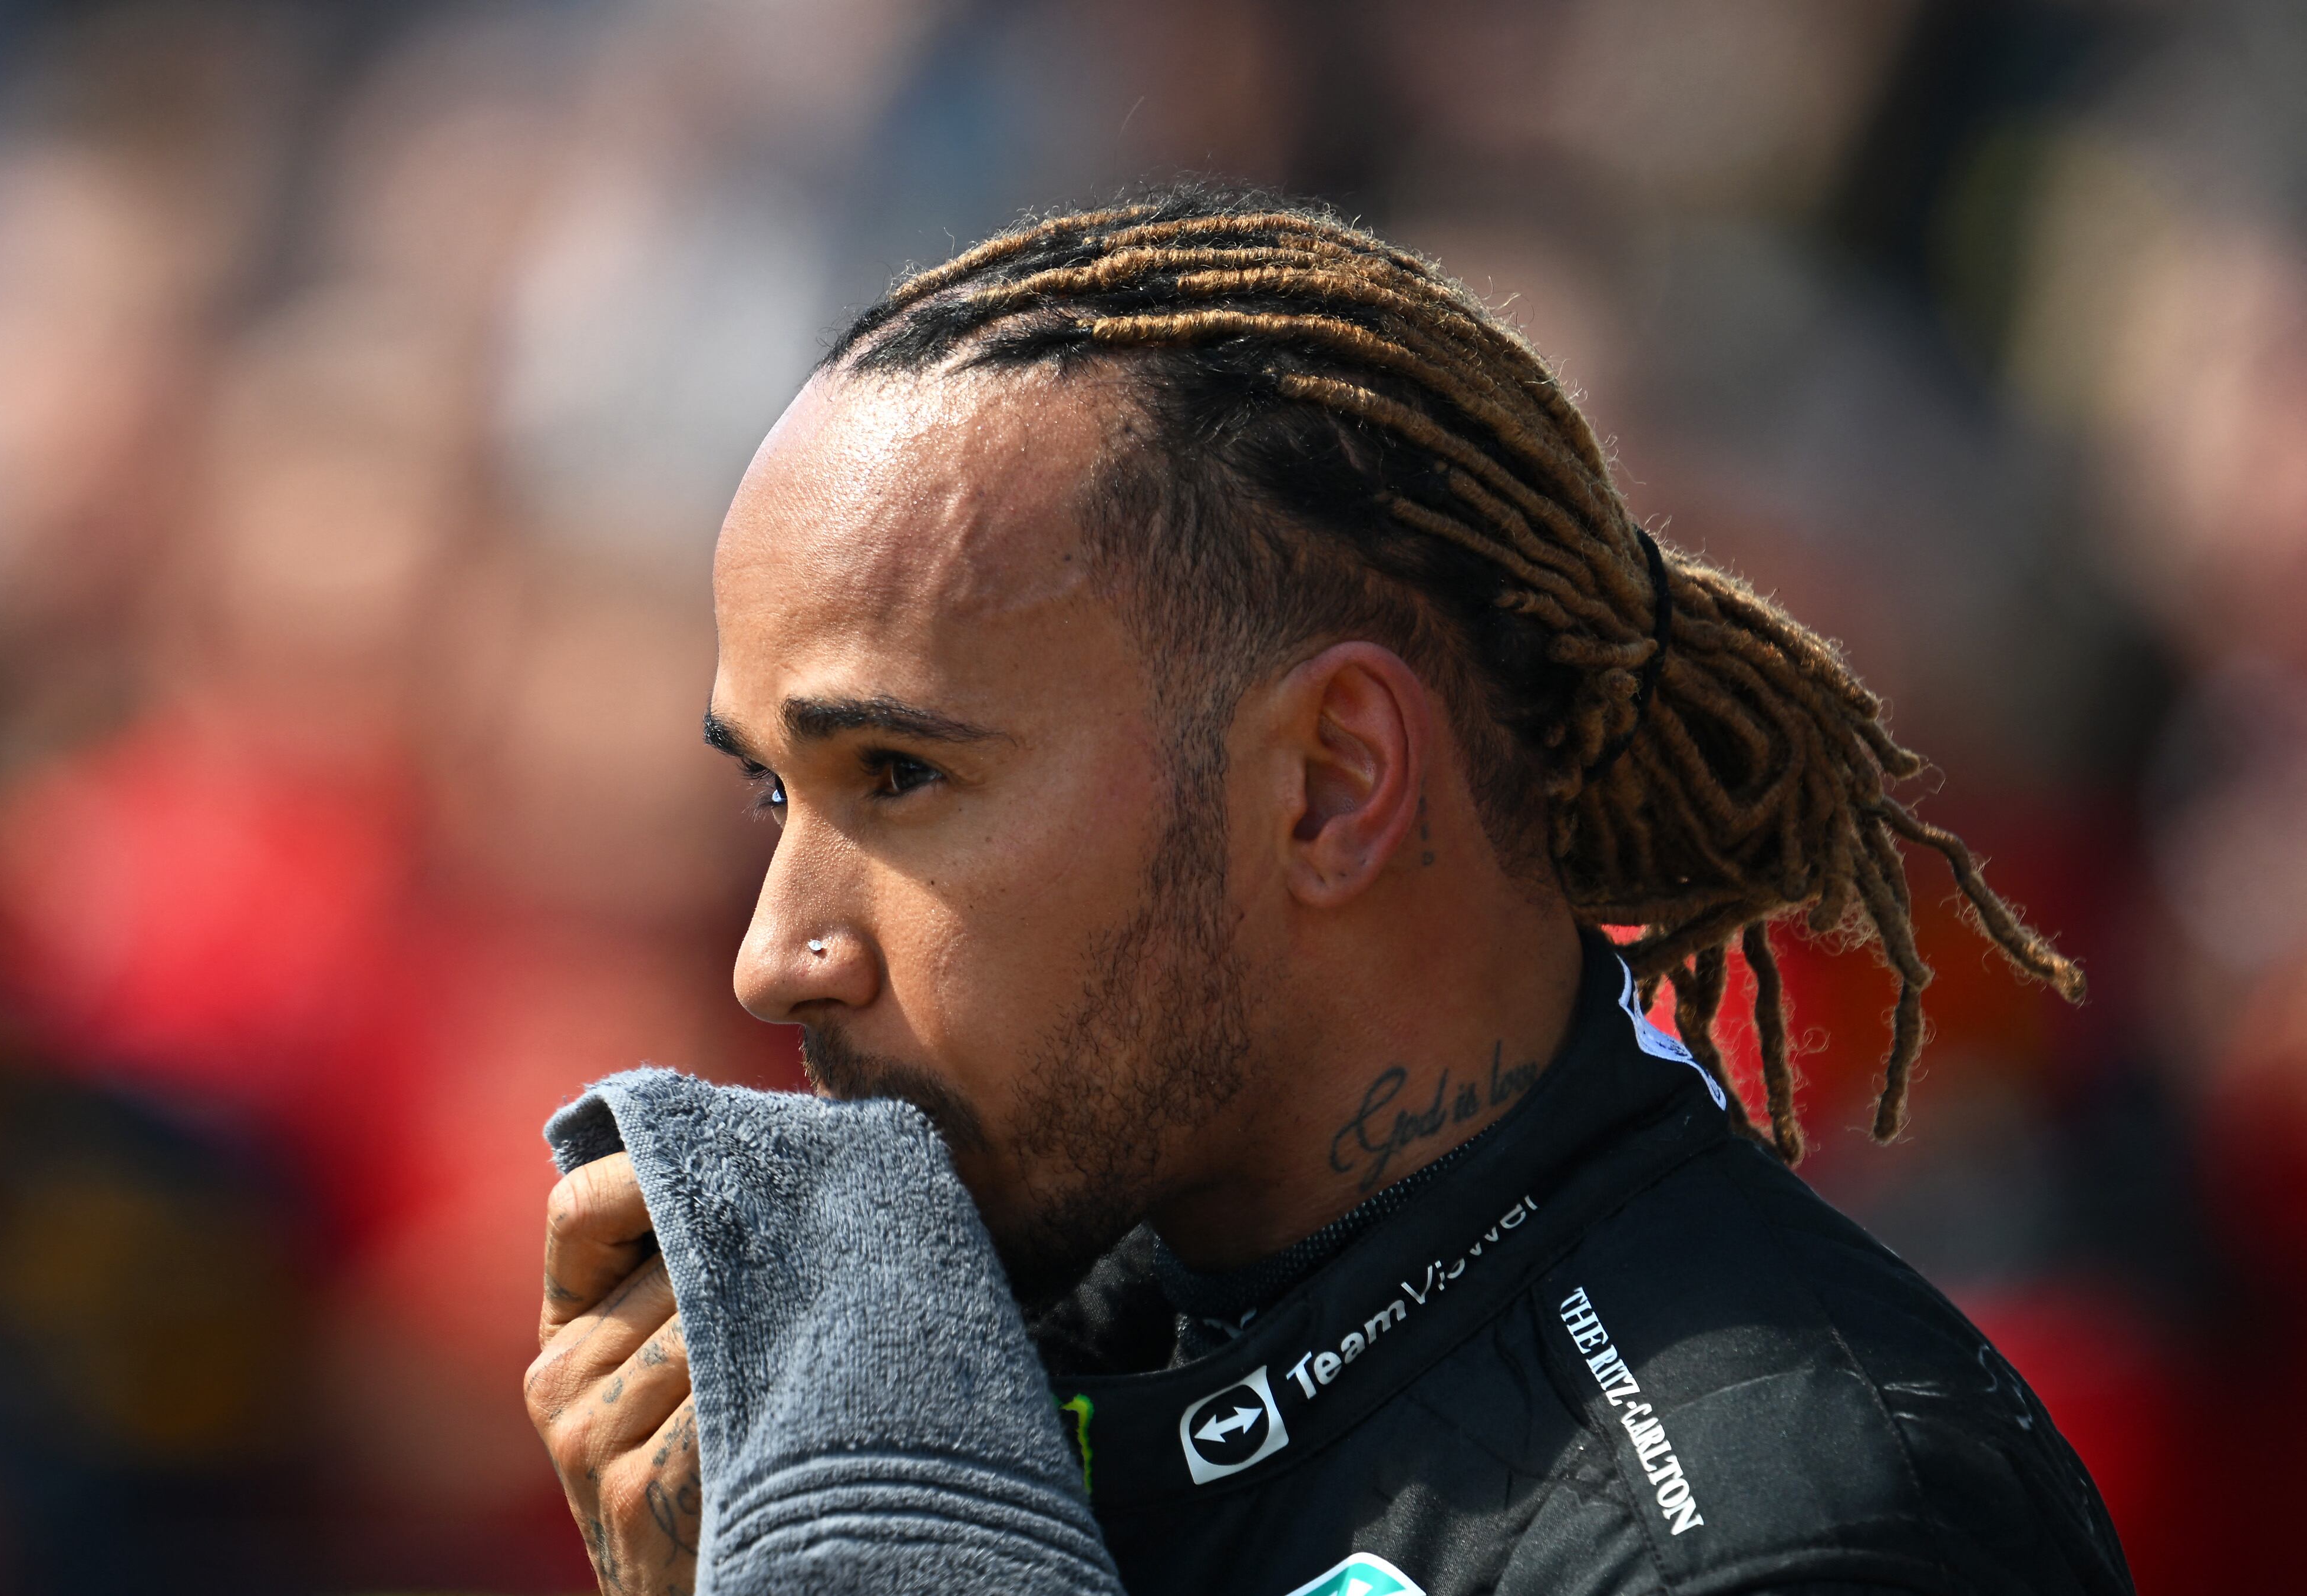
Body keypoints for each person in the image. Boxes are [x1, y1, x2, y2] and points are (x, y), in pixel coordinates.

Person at [522, 186, 2131, 1596]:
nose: (773, 959)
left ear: (1329, 783)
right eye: (770, 791)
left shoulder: (1786, 1537)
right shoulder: (943, 1378)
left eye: (898, 777)